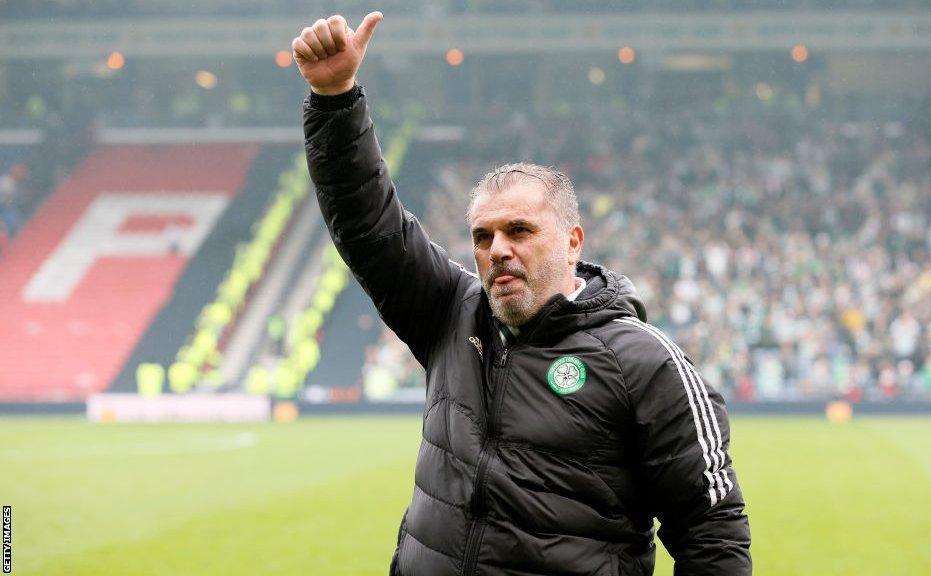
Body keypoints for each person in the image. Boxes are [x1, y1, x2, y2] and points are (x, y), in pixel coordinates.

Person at [293, 12, 751, 575]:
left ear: (572, 241)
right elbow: (370, 228)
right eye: (482, 236)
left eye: (520, 231)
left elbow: (713, 533)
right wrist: (335, 98)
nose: (498, 249)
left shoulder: (644, 361)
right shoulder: (451, 313)